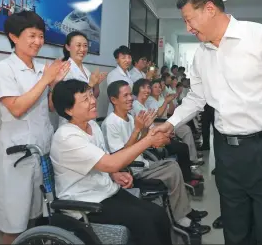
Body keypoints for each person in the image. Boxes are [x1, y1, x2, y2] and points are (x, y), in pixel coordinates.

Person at [151, 0, 262, 245]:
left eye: (189, 20)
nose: (188, 28)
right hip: (227, 154)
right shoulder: (201, 55)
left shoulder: (261, 38)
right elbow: (197, 97)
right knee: (235, 230)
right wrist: (170, 123)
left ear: (209, 9)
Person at [50, 79, 172, 245]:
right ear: (68, 110)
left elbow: (104, 161)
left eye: (91, 95)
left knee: (158, 214)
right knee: (144, 222)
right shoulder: (67, 137)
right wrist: (149, 140)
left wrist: (115, 174)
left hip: (106, 190)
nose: (93, 101)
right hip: (85, 203)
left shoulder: (92, 125)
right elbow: (111, 162)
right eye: (85, 100)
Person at [0, 11, 71, 244]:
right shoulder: (4, 68)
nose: (38, 41)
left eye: (41, 36)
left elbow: (50, 108)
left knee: (36, 217)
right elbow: (16, 108)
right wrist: (46, 80)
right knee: (14, 223)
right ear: (14, 37)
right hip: (17, 155)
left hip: (41, 150)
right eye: (32, 36)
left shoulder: (40, 69)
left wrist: (54, 84)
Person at [101, 80, 210, 235]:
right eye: (125, 95)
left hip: (143, 161)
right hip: (131, 169)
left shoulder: (131, 118)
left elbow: (140, 142)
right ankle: (182, 220)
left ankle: (185, 212)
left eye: (130, 94)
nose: (130, 98)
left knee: (173, 165)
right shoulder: (110, 123)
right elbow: (120, 157)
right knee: (172, 170)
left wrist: (145, 130)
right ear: (113, 100)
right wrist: (138, 130)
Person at [131, 79, 205, 187]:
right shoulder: (137, 106)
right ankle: (186, 177)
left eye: (148, 87)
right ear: (137, 89)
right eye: (144, 88)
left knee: (182, 144)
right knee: (182, 147)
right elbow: (145, 127)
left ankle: (186, 174)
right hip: (151, 138)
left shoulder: (144, 105)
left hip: (155, 132)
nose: (147, 90)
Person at [147, 79, 203, 166]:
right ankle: (191, 157)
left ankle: (192, 155)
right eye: (155, 87)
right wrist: (166, 102)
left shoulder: (161, 98)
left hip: (168, 121)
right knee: (185, 129)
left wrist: (171, 100)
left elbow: (171, 111)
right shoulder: (150, 100)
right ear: (150, 89)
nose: (158, 89)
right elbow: (158, 114)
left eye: (159, 87)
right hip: (161, 124)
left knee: (186, 128)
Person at [59, 31, 107, 126]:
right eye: (78, 45)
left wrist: (96, 83)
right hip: (73, 122)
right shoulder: (64, 69)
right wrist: (90, 85)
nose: (82, 49)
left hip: (88, 119)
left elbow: (94, 95)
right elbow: (70, 100)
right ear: (68, 47)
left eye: (85, 46)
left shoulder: (86, 70)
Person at [106, 45, 134, 115]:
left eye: (129, 57)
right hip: (117, 112)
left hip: (127, 110)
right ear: (117, 60)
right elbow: (115, 97)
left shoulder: (129, 74)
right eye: (123, 58)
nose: (127, 60)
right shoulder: (113, 75)